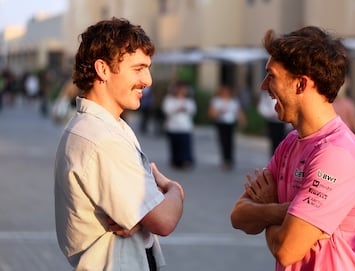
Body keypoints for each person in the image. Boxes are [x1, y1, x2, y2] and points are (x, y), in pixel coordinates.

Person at [230, 26, 355, 271]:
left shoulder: (337, 155)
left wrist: (266, 207)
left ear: (300, 84)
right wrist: (280, 211)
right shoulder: (290, 143)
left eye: (271, 76)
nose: (264, 86)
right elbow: (238, 216)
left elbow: (287, 250)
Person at [54, 18, 184, 271]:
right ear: (103, 69)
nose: (148, 80)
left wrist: (143, 216)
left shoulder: (106, 127)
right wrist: (174, 190)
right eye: (138, 68)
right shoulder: (101, 138)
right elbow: (165, 220)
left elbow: (148, 215)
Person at [208, 84, 246, 170]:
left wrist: (242, 121)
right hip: (221, 122)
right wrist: (218, 112)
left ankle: (230, 159)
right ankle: (225, 159)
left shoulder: (233, 101)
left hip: (230, 123)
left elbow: (238, 111)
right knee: (223, 141)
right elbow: (212, 113)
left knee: (230, 142)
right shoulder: (217, 101)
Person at [162, 81, 197, 169]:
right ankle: (175, 161)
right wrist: (176, 109)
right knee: (175, 145)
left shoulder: (189, 100)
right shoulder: (170, 99)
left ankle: (185, 161)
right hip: (173, 126)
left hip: (185, 126)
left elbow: (193, 110)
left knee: (185, 145)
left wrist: (184, 108)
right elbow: (166, 110)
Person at [257, 91, 290, 155]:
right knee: (274, 142)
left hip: (282, 122)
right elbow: (262, 107)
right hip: (272, 121)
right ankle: (274, 158)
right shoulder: (266, 94)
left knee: (284, 142)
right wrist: (270, 113)